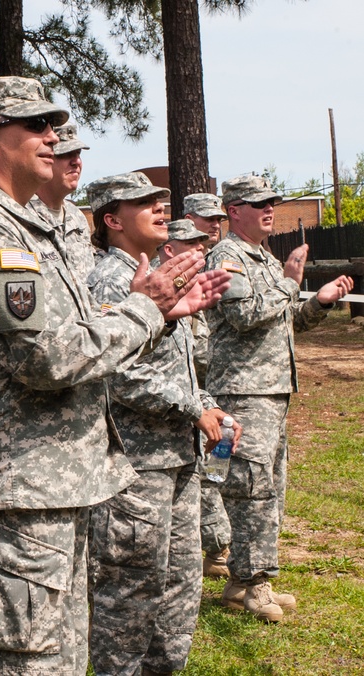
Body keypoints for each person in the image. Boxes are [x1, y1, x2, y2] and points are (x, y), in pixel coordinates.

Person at [0, 76, 232, 674]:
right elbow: (49, 359)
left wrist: (158, 316)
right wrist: (143, 311)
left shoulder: (20, 227)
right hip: (17, 497)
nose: (52, 137)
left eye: (53, 125)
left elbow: (72, 335)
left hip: (51, 487)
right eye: (35, 127)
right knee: (24, 663)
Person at [85, 199, 239, 675]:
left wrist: (208, 401)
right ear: (113, 221)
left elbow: (180, 365)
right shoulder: (109, 281)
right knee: (131, 592)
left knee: (179, 585)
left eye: (160, 201)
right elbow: (114, 373)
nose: (161, 208)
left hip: (177, 457)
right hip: (136, 463)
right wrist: (195, 409)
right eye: (145, 205)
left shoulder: (160, 274)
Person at [206, 174, 354, 621]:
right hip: (242, 392)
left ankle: (246, 580)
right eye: (259, 203)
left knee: (270, 488)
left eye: (273, 201)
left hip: (271, 392)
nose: (270, 208)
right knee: (250, 489)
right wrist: (291, 281)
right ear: (234, 210)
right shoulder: (227, 257)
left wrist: (320, 302)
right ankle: (251, 585)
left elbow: (285, 322)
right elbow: (246, 316)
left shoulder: (263, 260)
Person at [182, 191, 233, 579]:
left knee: (216, 465)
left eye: (218, 220)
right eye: (206, 219)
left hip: (209, 383)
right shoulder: (179, 264)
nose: (213, 226)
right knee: (202, 471)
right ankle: (217, 546)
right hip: (189, 385)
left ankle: (217, 545)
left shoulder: (212, 264)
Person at [28, 122, 96, 277]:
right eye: (65, 154)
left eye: (78, 154)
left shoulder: (77, 217)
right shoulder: (22, 213)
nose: (76, 162)